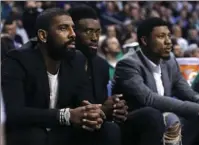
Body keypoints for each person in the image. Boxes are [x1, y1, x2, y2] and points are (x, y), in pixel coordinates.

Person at [1, 8, 116, 145]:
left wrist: (99, 110)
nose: (72, 34)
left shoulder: (76, 59)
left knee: (108, 129)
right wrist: (64, 115)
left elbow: (84, 101)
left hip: (60, 132)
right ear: (43, 36)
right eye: (63, 28)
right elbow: (15, 112)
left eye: (73, 29)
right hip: (28, 132)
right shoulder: (17, 60)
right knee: (36, 136)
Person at [112, 17, 199, 145]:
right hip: (139, 128)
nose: (168, 42)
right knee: (172, 118)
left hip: (168, 121)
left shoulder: (169, 60)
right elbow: (149, 99)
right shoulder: (128, 64)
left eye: (169, 36)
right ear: (145, 41)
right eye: (161, 37)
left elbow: (188, 93)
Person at [69, 5, 126, 145]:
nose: (95, 38)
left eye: (97, 32)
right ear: (72, 32)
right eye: (88, 32)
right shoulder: (62, 62)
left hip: (99, 122)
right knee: (109, 130)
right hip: (73, 125)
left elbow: (101, 102)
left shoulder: (101, 64)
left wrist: (116, 108)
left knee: (147, 117)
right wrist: (102, 109)